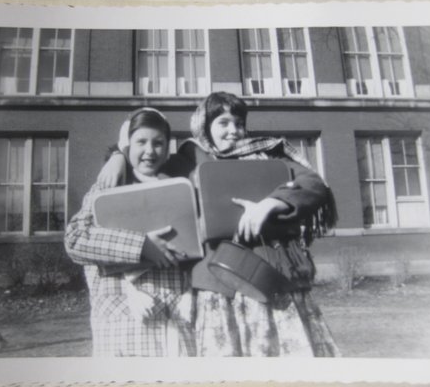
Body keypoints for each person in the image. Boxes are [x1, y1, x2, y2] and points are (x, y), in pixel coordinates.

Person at [98, 92, 339, 357]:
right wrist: (117, 155)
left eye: (238, 123)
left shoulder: (268, 155)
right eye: (223, 123)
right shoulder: (187, 160)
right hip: (217, 287)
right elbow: (145, 165)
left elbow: (314, 184)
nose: (233, 131)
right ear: (205, 126)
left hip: (272, 279)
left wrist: (271, 204)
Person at [64, 108, 195, 357]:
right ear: (127, 146)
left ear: (168, 148)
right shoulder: (108, 187)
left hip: (173, 321)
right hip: (122, 321)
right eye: (141, 142)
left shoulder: (180, 189)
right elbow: (75, 239)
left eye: (158, 143)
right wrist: (141, 245)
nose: (149, 151)